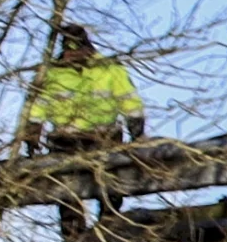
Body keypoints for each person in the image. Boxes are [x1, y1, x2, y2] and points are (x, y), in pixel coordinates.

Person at [20, 24, 147, 154]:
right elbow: (37, 108)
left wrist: (137, 133)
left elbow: (130, 103)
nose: (73, 55)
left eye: (78, 49)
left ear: (88, 47)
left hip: (105, 141)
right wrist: (31, 136)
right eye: (69, 50)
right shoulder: (51, 73)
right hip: (64, 143)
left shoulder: (110, 69)